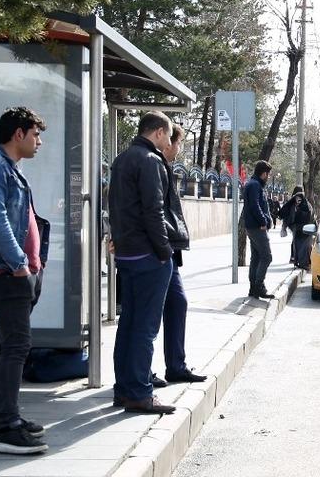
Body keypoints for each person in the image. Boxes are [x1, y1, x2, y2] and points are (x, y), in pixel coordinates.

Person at [0, 107, 49, 454]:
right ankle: (7, 428)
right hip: (4, 274)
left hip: (15, 273)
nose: (39, 142)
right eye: (35, 135)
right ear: (18, 133)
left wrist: (33, 264)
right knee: (16, 346)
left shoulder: (8, 169)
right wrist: (19, 264)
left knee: (5, 345)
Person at [108, 111, 176, 414]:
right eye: (168, 135)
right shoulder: (150, 161)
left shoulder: (122, 159)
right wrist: (164, 251)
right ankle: (139, 393)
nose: (167, 141)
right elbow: (154, 210)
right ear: (159, 132)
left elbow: (115, 206)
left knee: (129, 323)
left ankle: (124, 389)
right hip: (149, 255)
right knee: (145, 328)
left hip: (127, 253)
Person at [157, 124, 206, 384]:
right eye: (177, 143)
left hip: (167, 251)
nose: (179, 148)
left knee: (177, 303)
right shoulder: (151, 166)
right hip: (155, 252)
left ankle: (176, 366)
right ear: (165, 140)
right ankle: (140, 374)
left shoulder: (164, 168)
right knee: (147, 316)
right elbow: (152, 212)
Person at [243, 160, 275, 299]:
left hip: (252, 226)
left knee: (256, 257)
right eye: (268, 174)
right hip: (257, 227)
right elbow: (255, 206)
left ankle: (253, 288)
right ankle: (259, 286)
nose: (268, 177)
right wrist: (263, 221)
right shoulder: (255, 185)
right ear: (263, 173)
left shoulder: (253, 184)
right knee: (267, 257)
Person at [280, 187, 314, 270]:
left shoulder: (305, 203)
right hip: (296, 227)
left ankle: (301, 261)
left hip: (304, 227)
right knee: (298, 244)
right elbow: (286, 215)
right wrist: (284, 227)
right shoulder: (292, 204)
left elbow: (311, 214)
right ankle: (298, 260)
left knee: (302, 245)